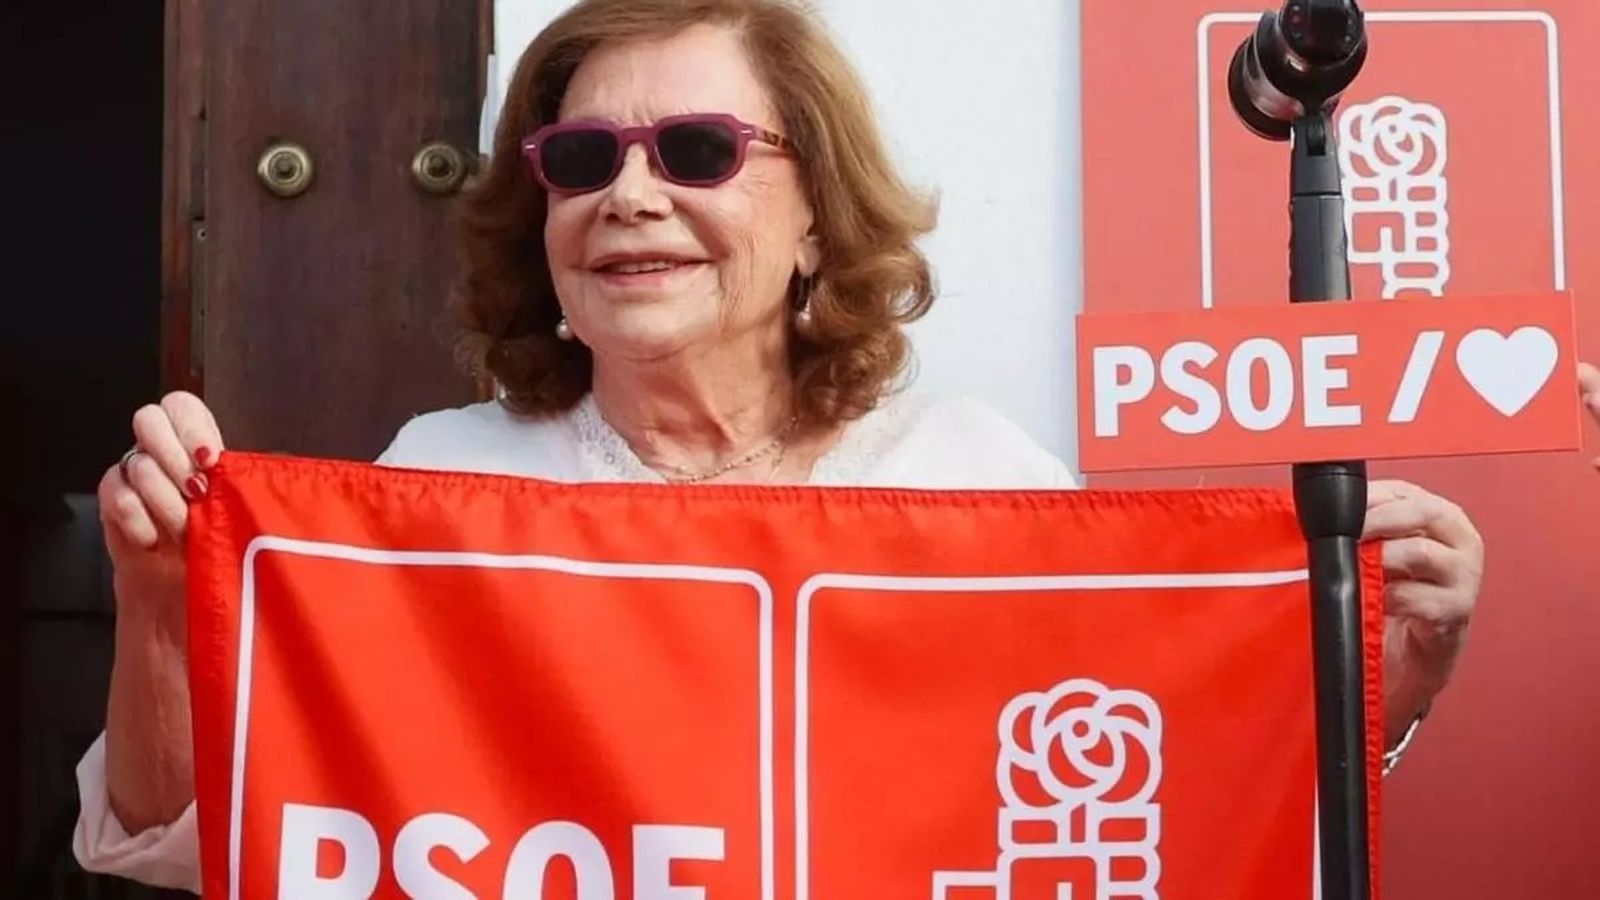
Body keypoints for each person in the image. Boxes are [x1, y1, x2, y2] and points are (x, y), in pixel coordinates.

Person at [74, 0, 1489, 890]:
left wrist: (1388, 667)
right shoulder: (437, 484)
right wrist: (156, 599)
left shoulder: (977, 482)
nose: (630, 195)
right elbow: (186, 838)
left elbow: (1164, 806)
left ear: (817, 214)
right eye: (582, 159)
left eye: (696, 150)